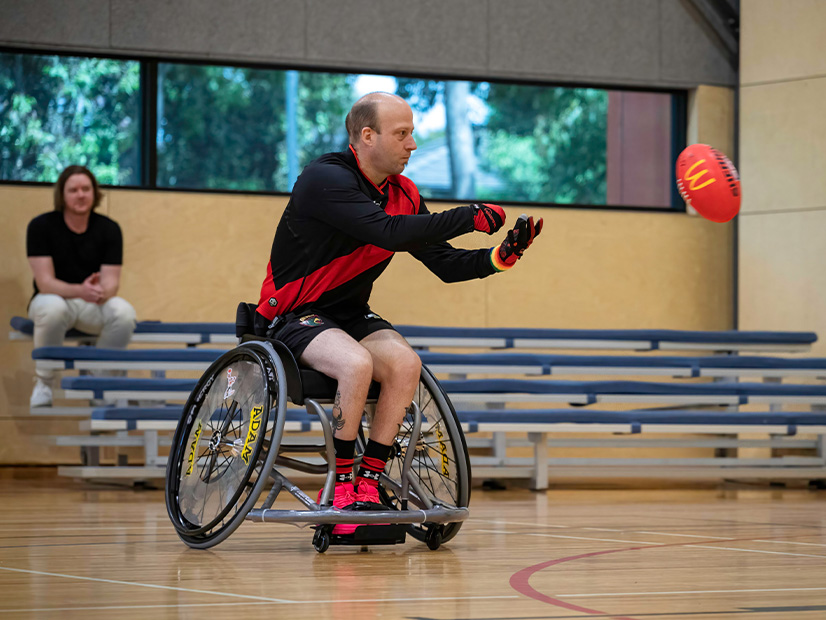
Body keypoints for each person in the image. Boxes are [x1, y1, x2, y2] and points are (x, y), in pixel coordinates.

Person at [254, 92, 542, 533]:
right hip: (295, 314)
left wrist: (500, 256)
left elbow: (444, 264)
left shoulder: (404, 193)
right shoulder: (324, 178)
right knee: (357, 363)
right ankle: (342, 484)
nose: (412, 145)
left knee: (407, 362)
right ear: (367, 136)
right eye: (402, 134)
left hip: (349, 313)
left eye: (412, 134)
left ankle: (369, 480)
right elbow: (387, 233)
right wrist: (469, 215)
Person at [26, 165, 137, 407]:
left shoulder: (109, 229)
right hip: (49, 299)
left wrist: (99, 291)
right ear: (62, 195)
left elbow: (111, 284)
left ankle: (99, 382)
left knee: (124, 313)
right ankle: (44, 382)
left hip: (90, 303)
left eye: (86, 189)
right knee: (54, 307)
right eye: (73, 189)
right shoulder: (40, 226)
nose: (80, 194)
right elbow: (45, 283)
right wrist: (81, 290)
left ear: (94, 193)